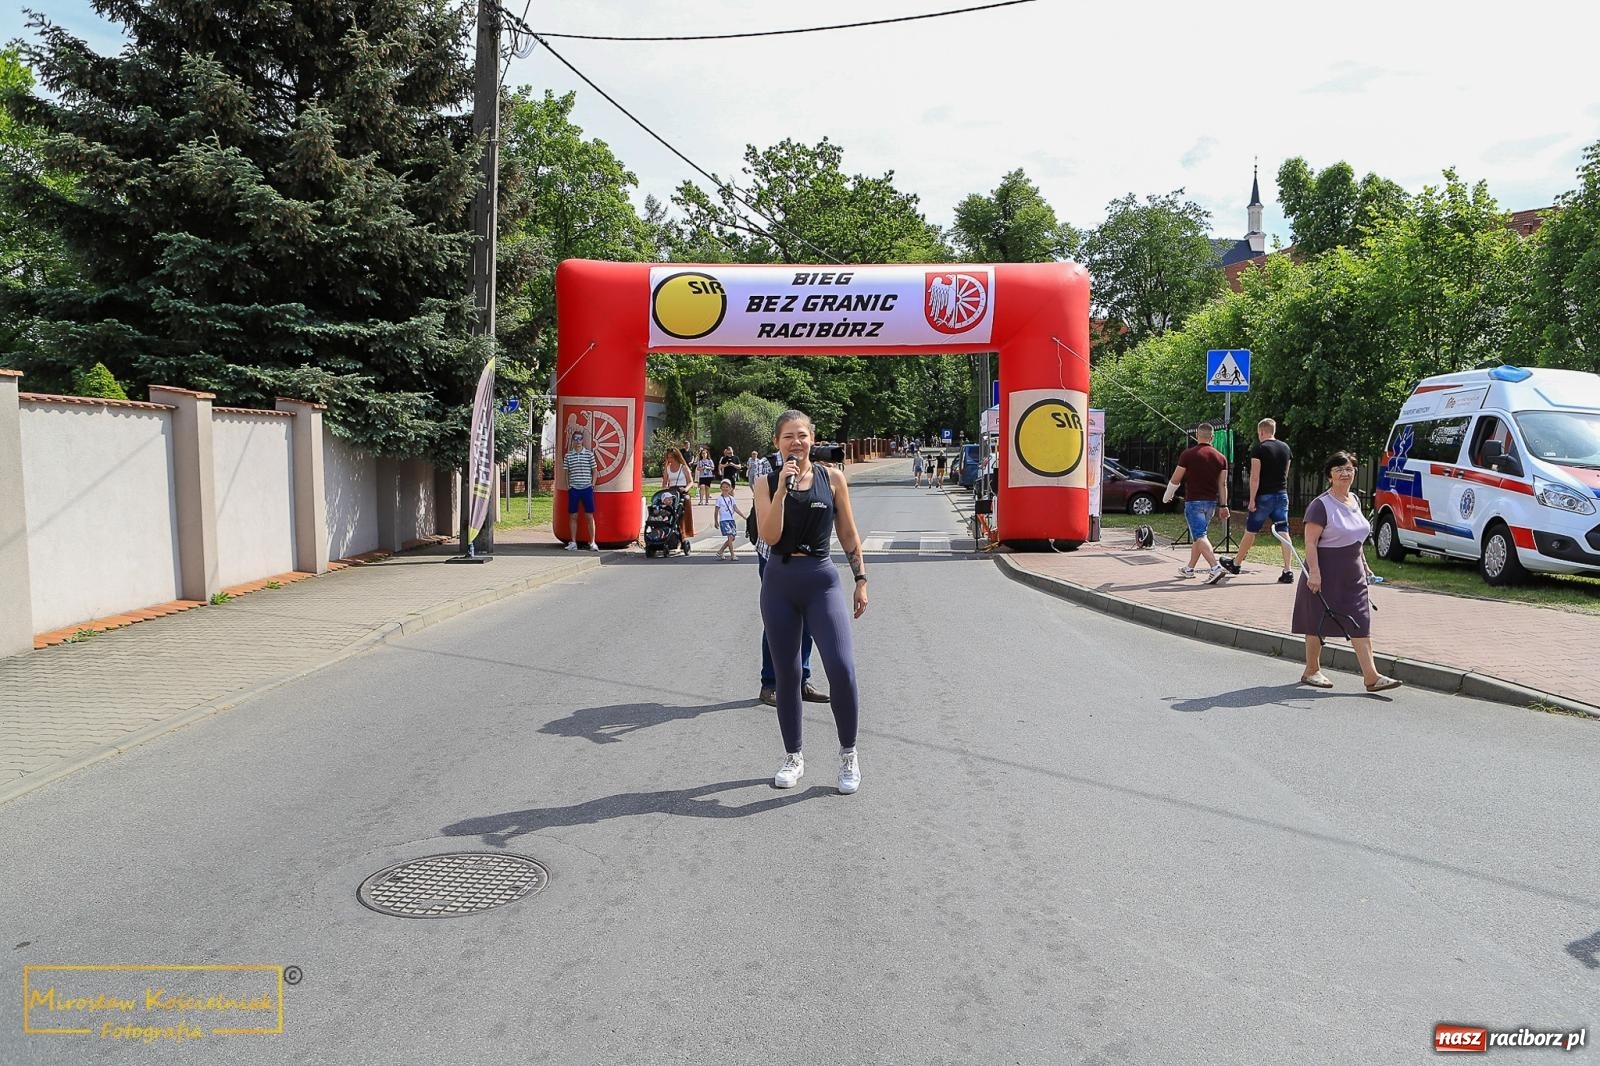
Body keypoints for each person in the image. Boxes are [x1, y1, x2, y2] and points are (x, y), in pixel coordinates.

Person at [754, 410, 868, 794]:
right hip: (780, 582)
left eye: (802, 435)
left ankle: (849, 755)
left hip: (821, 580)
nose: (795, 442)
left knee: (841, 668)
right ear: (776, 442)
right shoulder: (765, 482)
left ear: (812, 440)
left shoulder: (832, 478)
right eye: (788, 436)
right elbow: (770, 536)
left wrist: (861, 579)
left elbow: (849, 534)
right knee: (787, 674)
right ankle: (793, 755)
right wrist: (782, 489)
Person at [1294, 451, 1401, 692]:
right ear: (1329, 476)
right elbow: (1310, 542)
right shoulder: (1320, 505)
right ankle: (1312, 670)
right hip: (1325, 571)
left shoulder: (1354, 499)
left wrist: (1364, 564)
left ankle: (1371, 677)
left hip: (1352, 574)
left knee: (1360, 621)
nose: (1345, 473)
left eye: (1349, 469)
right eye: (1338, 469)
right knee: (1317, 621)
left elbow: (1356, 537)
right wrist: (1314, 572)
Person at [1223, 418, 1295, 583]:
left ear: (1261, 431)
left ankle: (1236, 563)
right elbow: (1285, 473)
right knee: (1283, 531)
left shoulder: (1259, 449)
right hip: (1281, 494)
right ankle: (1288, 570)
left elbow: (1255, 477)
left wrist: (1252, 499)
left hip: (1264, 495)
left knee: (1251, 530)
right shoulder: (1286, 448)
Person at [1163, 423, 1230, 584]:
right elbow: (1223, 484)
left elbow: (1176, 478)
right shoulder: (1221, 458)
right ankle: (1189, 568)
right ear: (1212, 437)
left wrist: (1167, 496)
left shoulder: (1188, 455)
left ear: (1197, 436)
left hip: (1193, 502)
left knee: (1200, 536)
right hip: (1211, 503)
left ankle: (1215, 568)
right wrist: (1224, 505)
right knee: (1198, 537)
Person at [559, 427, 599, 551]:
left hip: (586, 488)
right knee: (573, 516)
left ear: (582, 440)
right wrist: (568, 486)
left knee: (589, 516)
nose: (578, 441)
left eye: (580, 439)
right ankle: (573, 542)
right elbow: (566, 472)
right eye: (575, 439)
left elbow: (595, 471)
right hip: (574, 489)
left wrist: (592, 484)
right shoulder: (568, 456)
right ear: (573, 441)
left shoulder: (589, 454)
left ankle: (592, 542)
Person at [661, 447, 694, 554]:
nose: (670, 459)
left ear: (676, 457)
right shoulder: (667, 468)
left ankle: (684, 533)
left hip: (681, 491)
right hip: (671, 492)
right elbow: (665, 482)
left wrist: (686, 489)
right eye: (668, 457)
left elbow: (691, 482)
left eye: (671, 457)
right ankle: (665, 533)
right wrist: (664, 490)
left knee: (684, 504)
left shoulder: (683, 467)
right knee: (666, 510)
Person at [713, 479, 745, 560]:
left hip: (731, 520)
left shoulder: (732, 499)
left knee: (732, 538)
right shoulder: (719, 499)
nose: (725, 489)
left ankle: (720, 551)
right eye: (723, 487)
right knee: (730, 537)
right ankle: (732, 555)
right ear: (720, 488)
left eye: (727, 487)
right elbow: (716, 511)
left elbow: (736, 509)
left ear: (730, 488)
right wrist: (716, 521)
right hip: (724, 520)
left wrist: (744, 517)